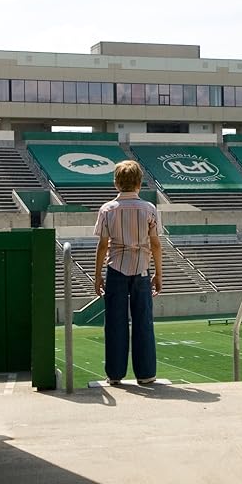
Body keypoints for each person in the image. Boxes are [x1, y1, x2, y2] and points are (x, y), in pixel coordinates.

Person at [93, 160, 163, 385]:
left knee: (115, 323)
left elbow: (103, 245)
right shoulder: (149, 209)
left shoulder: (107, 210)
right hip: (142, 269)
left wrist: (97, 275)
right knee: (144, 322)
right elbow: (155, 244)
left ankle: (115, 374)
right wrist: (159, 273)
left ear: (116, 183)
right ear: (139, 183)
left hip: (116, 269)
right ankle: (146, 373)